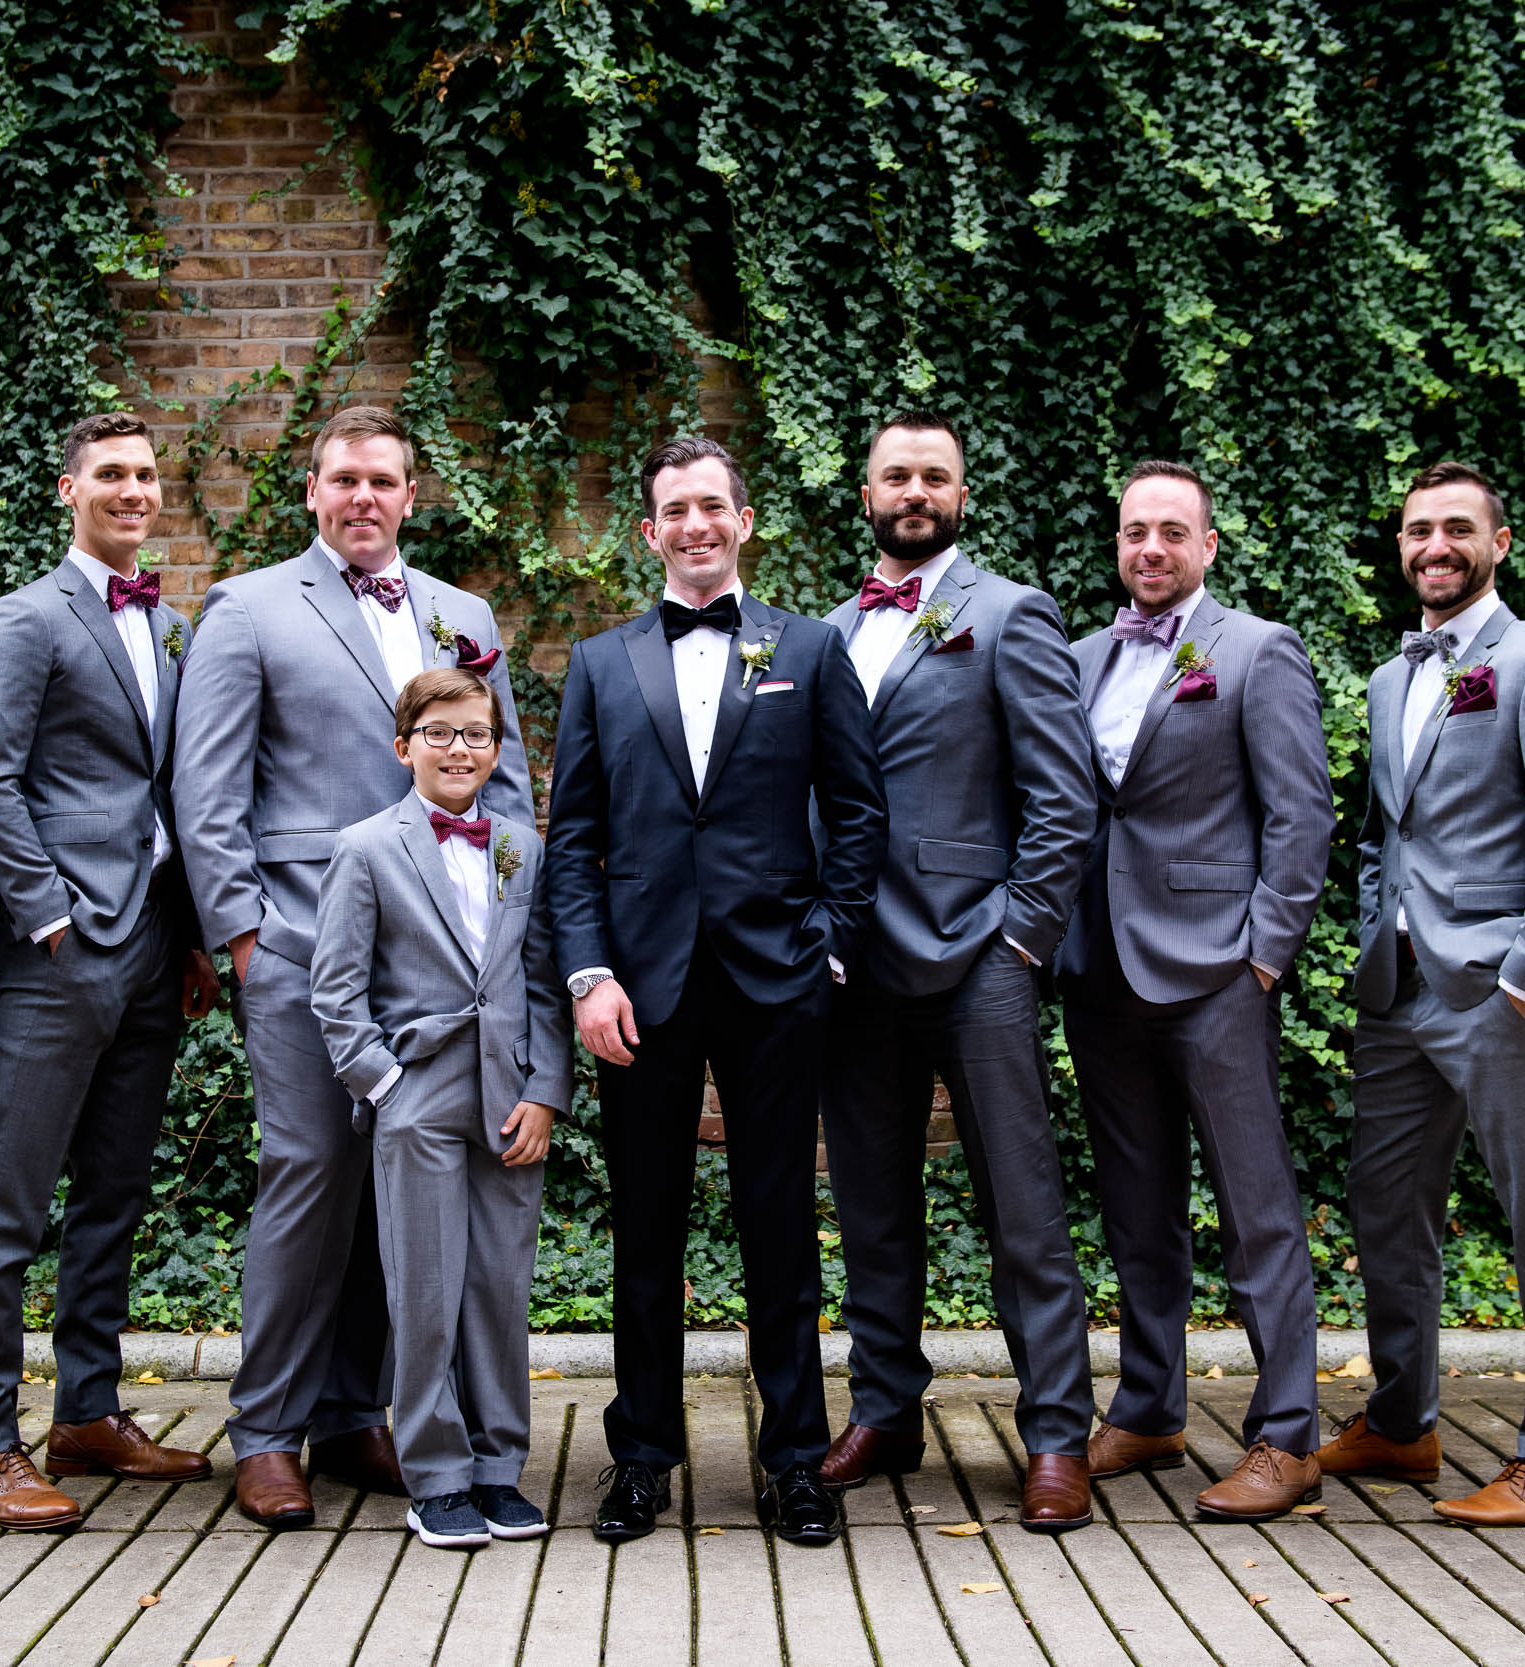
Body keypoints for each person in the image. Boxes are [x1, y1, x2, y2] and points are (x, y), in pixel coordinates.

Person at [173, 405, 534, 1527]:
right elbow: (208, 785)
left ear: (411, 494)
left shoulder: (461, 614)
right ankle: (267, 1426)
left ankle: (353, 1412)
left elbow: (509, 783)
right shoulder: (248, 607)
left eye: (383, 480)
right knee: (311, 1171)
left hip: (439, 967)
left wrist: (512, 938)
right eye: (344, 480)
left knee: (406, 1187)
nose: (364, 497)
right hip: (297, 938)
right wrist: (240, 936)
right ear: (313, 492)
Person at [544, 434, 887, 1547]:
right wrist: (589, 974)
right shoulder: (600, 662)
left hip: (775, 979)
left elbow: (856, 806)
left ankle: (793, 1456)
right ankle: (640, 1453)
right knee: (644, 1233)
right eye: (672, 510)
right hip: (639, 987)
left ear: (744, 521)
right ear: (649, 532)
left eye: (711, 506)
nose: (693, 525)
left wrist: (827, 937)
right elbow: (575, 835)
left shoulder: (811, 647)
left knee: (779, 1227)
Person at [813, 412, 1102, 1531]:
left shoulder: (1008, 613)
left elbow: (1062, 795)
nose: (915, 489)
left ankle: (1054, 1434)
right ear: (867, 490)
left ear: (961, 492)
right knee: (873, 1204)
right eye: (897, 473)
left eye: (935, 474)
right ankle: (884, 1410)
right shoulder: (829, 631)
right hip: (859, 964)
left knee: (1020, 1204)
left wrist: (1022, 935)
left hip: (979, 948)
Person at [1326, 459, 1525, 1527]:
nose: (1434, 546)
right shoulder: (1387, 675)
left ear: (1498, 543)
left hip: (1500, 996)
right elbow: (1381, 831)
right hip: (1398, 989)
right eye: (1417, 530)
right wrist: (1377, 929)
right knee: (1385, 1208)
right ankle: (1403, 1423)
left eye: (1457, 528)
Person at [0, 411, 222, 1529]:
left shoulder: (171, 626)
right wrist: (48, 916)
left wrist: (195, 933)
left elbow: (175, 787)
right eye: (110, 474)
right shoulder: (27, 618)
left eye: (147, 476)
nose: (132, 490)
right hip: (65, 952)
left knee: (114, 1190)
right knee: (9, 1200)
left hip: (157, 944)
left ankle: (90, 1411)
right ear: (68, 489)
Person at [1052, 458, 1335, 1521]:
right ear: (1117, 544)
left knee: (1256, 1209)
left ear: (1207, 545)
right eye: (1134, 532)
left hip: (1218, 970)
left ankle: (1287, 1433)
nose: (1151, 549)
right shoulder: (1080, 659)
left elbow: (1299, 813)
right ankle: (1151, 1402)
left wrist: (1263, 955)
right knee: (1137, 1206)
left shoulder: (1257, 651)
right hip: (1103, 970)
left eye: (1173, 531)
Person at [305, 668, 572, 1551]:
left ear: (497, 750)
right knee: (425, 1289)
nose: (459, 748)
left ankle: (499, 1466)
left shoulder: (522, 849)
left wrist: (545, 1091)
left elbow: (543, 982)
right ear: (403, 746)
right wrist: (386, 1087)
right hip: (418, 1095)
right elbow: (336, 990)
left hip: (510, 1101)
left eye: (476, 734)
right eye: (440, 732)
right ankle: (437, 1474)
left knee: (498, 1288)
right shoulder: (367, 846)